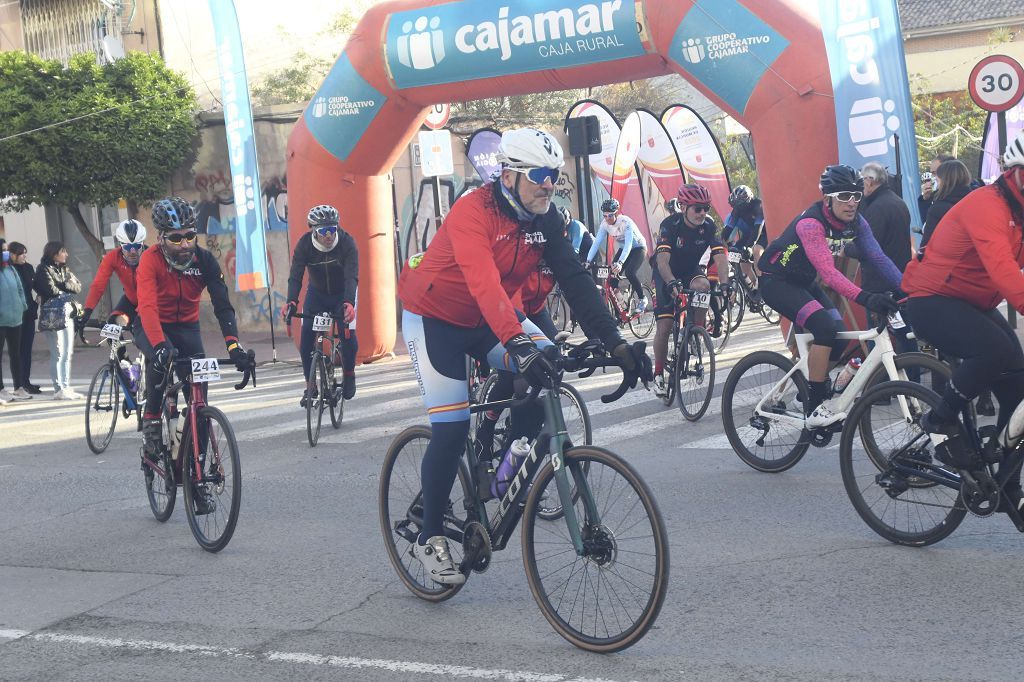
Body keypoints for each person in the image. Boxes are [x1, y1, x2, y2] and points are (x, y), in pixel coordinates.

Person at [398, 127, 650, 585]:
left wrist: (616, 344)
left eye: (553, 176)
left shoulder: (546, 219)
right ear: (508, 175)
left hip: (491, 319)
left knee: (549, 365)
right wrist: (517, 344)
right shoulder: (472, 211)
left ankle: (509, 459)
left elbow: (574, 279)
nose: (548, 184)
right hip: (436, 319)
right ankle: (428, 536)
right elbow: (483, 283)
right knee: (451, 431)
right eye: (538, 174)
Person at [902, 131, 1024, 486]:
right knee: (995, 350)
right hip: (932, 299)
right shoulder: (987, 206)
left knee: (1018, 387)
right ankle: (939, 420)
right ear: (1015, 171)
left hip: (971, 302)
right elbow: (1002, 269)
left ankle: (1004, 482)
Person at [757, 165, 903, 427]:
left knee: (838, 336)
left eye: (856, 195)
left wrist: (906, 288)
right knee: (824, 328)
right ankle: (814, 405)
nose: (852, 203)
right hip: (776, 282)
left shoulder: (857, 221)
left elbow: (877, 257)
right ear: (828, 198)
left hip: (803, 281)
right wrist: (866, 298)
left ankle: (812, 388)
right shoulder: (811, 224)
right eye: (844, 196)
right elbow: (830, 274)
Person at [135, 197, 251, 479]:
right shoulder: (149, 261)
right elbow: (147, 307)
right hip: (153, 325)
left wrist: (234, 345)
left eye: (189, 235)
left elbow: (223, 303)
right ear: (161, 238)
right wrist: (160, 346)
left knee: (199, 395)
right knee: (160, 363)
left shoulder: (204, 259)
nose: (185, 244)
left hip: (187, 327)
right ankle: (151, 426)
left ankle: (194, 465)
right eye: (176, 239)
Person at [650, 183, 731, 397]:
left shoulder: (709, 226)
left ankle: (696, 330)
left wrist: (725, 283)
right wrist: (671, 283)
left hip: (690, 270)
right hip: (665, 272)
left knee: (703, 286)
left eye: (706, 208)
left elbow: (720, 257)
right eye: (697, 208)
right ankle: (658, 373)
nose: (703, 213)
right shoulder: (670, 225)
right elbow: (662, 261)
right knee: (665, 325)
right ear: (684, 207)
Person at [282, 204, 359, 405]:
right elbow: (296, 276)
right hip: (317, 295)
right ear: (314, 231)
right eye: (323, 231)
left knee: (347, 334)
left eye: (332, 230)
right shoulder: (305, 245)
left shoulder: (347, 243)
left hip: (342, 294)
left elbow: (352, 276)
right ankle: (310, 385)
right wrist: (291, 301)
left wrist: (349, 303)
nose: (328, 236)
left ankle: (349, 374)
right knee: (306, 339)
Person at [846, 162, 916, 356]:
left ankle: (879, 383)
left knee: (877, 338)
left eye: (862, 181)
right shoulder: (897, 201)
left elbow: (868, 248)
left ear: (869, 181)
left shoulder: (876, 208)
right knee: (905, 335)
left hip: (879, 285)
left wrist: (846, 248)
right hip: (899, 279)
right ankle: (913, 377)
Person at [78, 219, 148, 334]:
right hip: (130, 300)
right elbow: (98, 285)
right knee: (112, 329)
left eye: (136, 246)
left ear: (142, 243)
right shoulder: (113, 257)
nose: (132, 251)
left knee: (143, 334)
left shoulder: (151, 257)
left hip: (150, 301)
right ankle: (120, 352)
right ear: (120, 245)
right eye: (127, 247)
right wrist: (87, 312)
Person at [33, 241, 82, 400]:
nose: (66, 254)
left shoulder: (64, 268)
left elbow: (78, 286)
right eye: (63, 251)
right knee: (58, 353)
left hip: (67, 313)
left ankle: (66, 386)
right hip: (53, 316)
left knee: (68, 352)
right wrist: (65, 286)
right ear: (54, 253)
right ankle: (58, 388)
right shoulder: (43, 269)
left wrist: (62, 286)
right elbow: (50, 290)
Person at [584, 198, 648, 311]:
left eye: (610, 215)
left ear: (616, 213)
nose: (607, 218)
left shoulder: (625, 222)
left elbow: (628, 243)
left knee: (630, 272)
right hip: (624, 249)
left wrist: (620, 262)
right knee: (612, 278)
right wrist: (588, 261)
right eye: (605, 215)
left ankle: (643, 298)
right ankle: (621, 304)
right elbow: (596, 243)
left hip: (638, 248)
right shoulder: (604, 225)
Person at [7, 242, 40, 394]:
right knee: (17, 351)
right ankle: (18, 384)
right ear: (12, 255)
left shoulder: (28, 268)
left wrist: (36, 301)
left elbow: (36, 287)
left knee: (26, 350)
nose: (24, 256)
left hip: (29, 314)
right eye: (21, 253)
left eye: (25, 252)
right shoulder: (8, 269)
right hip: (14, 315)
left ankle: (26, 382)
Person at [919, 158, 973, 250]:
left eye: (936, 174)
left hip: (943, 259)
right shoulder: (975, 202)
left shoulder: (938, 208)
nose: (933, 179)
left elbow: (926, 247)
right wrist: (926, 200)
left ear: (944, 179)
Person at [0, 241, 30, 404]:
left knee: (15, 354)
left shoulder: (10, 269)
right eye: (3, 250)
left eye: (6, 250)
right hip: (1, 320)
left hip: (15, 318)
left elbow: (20, 288)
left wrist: (22, 306)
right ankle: (1, 389)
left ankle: (19, 387)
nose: (6, 253)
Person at [724, 185, 767, 297]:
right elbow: (728, 229)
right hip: (749, 235)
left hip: (763, 234)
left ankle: (762, 286)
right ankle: (752, 288)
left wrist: (749, 247)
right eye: (737, 205)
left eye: (742, 205)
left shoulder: (758, 205)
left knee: (756, 250)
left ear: (749, 200)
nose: (740, 208)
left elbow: (758, 228)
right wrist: (719, 244)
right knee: (742, 263)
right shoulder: (737, 210)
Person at [917, 153, 955, 219]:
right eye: (932, 173)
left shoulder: (960, 198)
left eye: (935, 173)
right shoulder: (937, 197)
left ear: (949, 172)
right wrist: (926, 199)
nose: (934, 178)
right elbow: (926, 225)